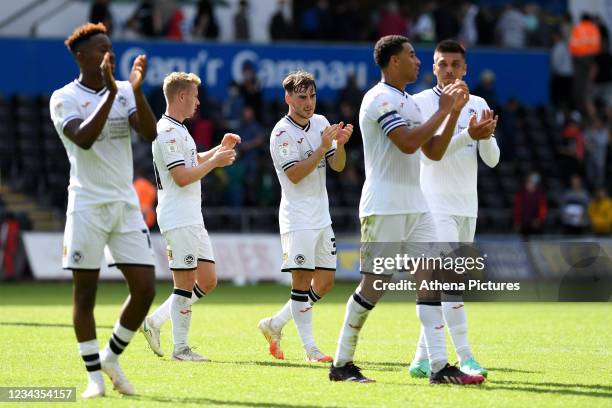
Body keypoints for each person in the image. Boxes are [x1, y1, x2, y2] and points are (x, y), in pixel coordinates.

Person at [329, 35, 487, 385]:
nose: (419, 61)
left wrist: (454, 114)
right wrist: (446, 111)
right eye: (413, 55)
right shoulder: (378, 99)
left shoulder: (410, 105)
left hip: (417, 206)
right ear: (394, 62)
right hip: (384, 207)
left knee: (429, 279)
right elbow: (406, 143)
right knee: (375, 285)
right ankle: (342, 363)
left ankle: (439, 367)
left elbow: (431, 151)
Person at [49, 22, 158, 398]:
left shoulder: (125, 90)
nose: (108, 55)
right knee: (85, 296)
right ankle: (94, 376)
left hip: (124, 205)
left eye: (111, 48)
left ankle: (111, 356)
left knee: (145, 289)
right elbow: (83, 137)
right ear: (82, 57)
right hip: (87, 205)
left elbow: (150, 132)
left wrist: (137, 92)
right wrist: (112, 94)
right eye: (101, 50)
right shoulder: (63, 98)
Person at [409, 39, 499, 379]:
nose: (448, 69)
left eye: (454, 64)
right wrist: (468, 134)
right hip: (434, 206)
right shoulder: (419, 104)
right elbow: (430, 155)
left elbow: (492, 160)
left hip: (466, 207)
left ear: (465, 68)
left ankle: (421, 358)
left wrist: (486, 136)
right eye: (442, 63)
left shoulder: (478, 103)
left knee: (442, 286)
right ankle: (465, 357)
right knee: (451, 282)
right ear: (433, 67)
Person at [141, 72, 239, 361]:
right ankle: (181, 349)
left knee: (207, 280)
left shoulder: (180, 129)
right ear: (181, 96)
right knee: (184, 283)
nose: (198, 101)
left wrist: (219, 151)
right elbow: (182, 177)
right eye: (195, 96)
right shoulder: (167, 132)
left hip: (192, 216)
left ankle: (154, 322)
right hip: (177, 216)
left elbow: (192, 161)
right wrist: (217, 163)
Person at [258, 70, 352, 362]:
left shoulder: (321, 122)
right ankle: (311, 350)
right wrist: (323, 147)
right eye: (302, 97)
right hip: (297, 218)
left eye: (312, 96)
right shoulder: (281, 133)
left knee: (324, 284)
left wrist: (341, 146)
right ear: (288, 98)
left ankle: (275, 324)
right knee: (301, 283)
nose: (309, 102)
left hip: (321, 217)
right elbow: (295, 175)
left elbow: (337, 167)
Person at [513, 172, 547, 237]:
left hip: (536, 224)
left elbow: (543, 209)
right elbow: (517, 209)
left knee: (536, 243)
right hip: (524, 224)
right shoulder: (521, 193)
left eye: (533, 182)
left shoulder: (540, 194)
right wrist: (517, 222)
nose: (531, 184)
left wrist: (539, 219)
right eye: (529, 182)